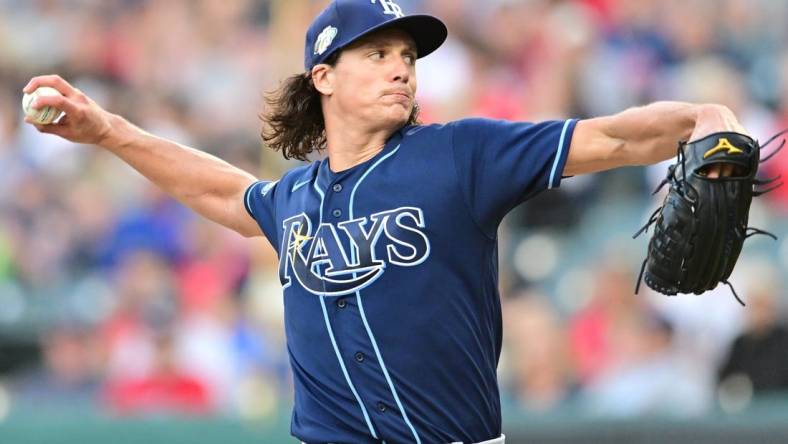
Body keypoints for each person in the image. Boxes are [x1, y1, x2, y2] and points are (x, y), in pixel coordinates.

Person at [22, 1, 745, 443]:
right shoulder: (294, 199)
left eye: (408, 56)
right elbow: (226, 195)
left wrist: (697, 118)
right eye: (378, 54)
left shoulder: (461, 155)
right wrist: (111, 132)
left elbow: (613, 138)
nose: (402, 68)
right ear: (325, 76)